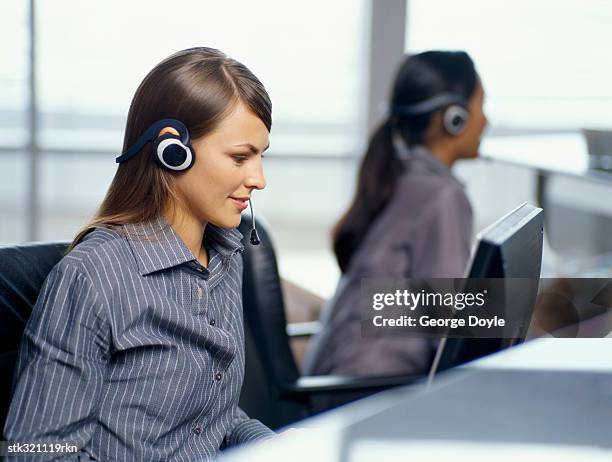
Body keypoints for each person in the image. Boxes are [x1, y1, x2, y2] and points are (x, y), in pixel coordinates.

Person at [4, 47, 274, 460]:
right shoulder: (93, 276)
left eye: (260, 157)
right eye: (240, 157)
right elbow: (34, 451)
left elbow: (209, 417)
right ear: (173, 150)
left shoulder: (225, 257)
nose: (258, 179)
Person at [303, 50, 488, 378]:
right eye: (481, 106)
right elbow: (450, 327)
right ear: (454, 117)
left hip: (337, 378)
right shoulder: (442, 195)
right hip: (367, 393)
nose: (486, 120)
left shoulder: (400, 176)